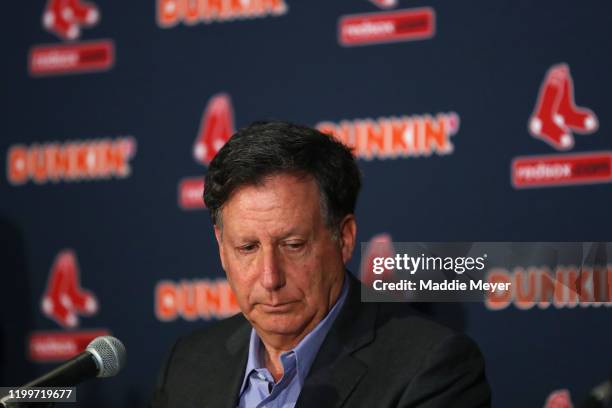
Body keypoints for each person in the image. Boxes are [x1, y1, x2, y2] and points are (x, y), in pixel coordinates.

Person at [151, 121, 491, 408]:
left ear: (343, 238)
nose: (270, 277)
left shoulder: (431, 367)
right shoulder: (187, 364)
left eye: (294, 245)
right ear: (222, 249)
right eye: (247, 247)